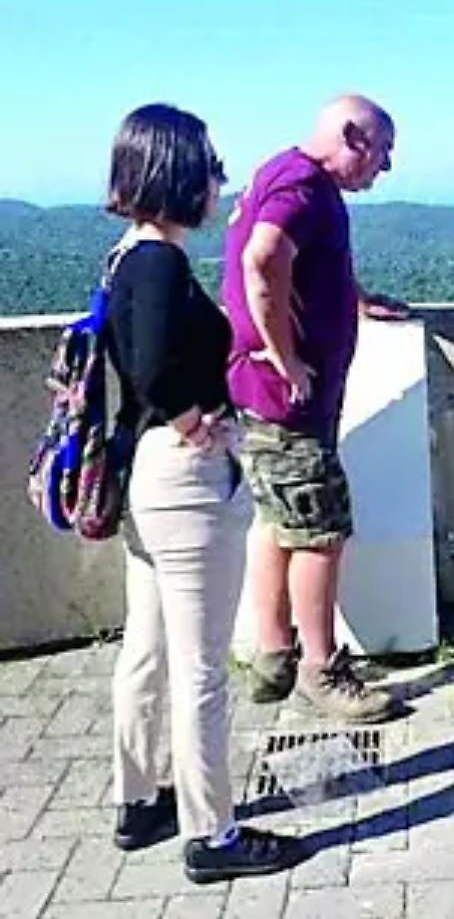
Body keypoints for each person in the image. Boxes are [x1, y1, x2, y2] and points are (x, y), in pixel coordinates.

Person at [105, 104, 303, 882]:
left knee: (147, 652)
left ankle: (137, 801)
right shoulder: (158, 262)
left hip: (144, 479)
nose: (219, 180)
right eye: (209, 167)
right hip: (181, 483)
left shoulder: (125, 255)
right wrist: (198, 423)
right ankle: (212, 835)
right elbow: (152, 368)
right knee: (201, 670)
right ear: (178, 174)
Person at [221, 94, 407, 722]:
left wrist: (351, 297)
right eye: (381, 152)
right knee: (321, 533)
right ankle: (320, 673)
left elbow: (302, 266)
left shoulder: (284, 171)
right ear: (352, 138)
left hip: (265, 400)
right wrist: (286, 356)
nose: (385, 169)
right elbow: (263, 258)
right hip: (287, 403)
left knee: (281, 523)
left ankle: (274, 654)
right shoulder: (303, 186)